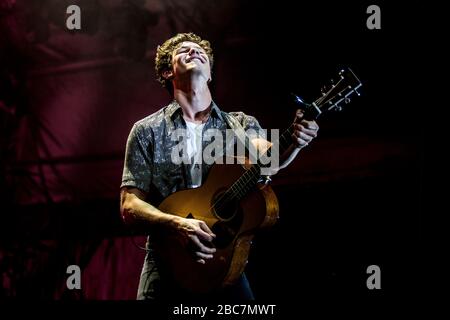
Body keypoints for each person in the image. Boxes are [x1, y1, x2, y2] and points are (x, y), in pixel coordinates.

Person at [119, 32, 319, 300]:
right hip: (165, 262)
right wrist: (177, 225)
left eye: (200, 51)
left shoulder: (239, 124)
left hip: (223, 262)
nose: (194, 52)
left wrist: (295, 141)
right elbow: (130, 205)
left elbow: (269, 159)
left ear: (210, 74)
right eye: (183, 51)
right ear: (167, 72)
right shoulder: (146, 131)